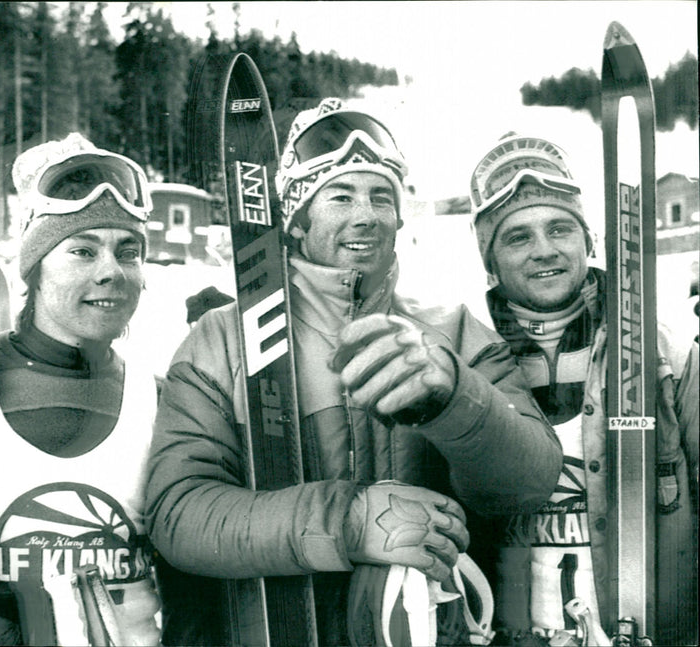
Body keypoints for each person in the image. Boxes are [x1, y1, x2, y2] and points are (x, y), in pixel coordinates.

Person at [145, 98, 563, 646]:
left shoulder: (456, 335)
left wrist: (453, 397)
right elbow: (179, 514)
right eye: (341, 196)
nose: (365, 215)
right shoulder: (220, 340)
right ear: (297, 220)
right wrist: (347, 522)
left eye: (381, 197)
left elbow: (527, 484)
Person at [0, 133, 162, 645]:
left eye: (128, 253)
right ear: (35, 267)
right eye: (83, 251)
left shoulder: (161, 398)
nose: (112, 272)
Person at [468, 133, 699, 646]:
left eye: (559, 228)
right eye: (517, 237)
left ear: (589, 241)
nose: (544, 250)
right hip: (515, 630)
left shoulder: (665, 353)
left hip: (649, 627)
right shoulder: (469, 363)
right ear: (489, 260)